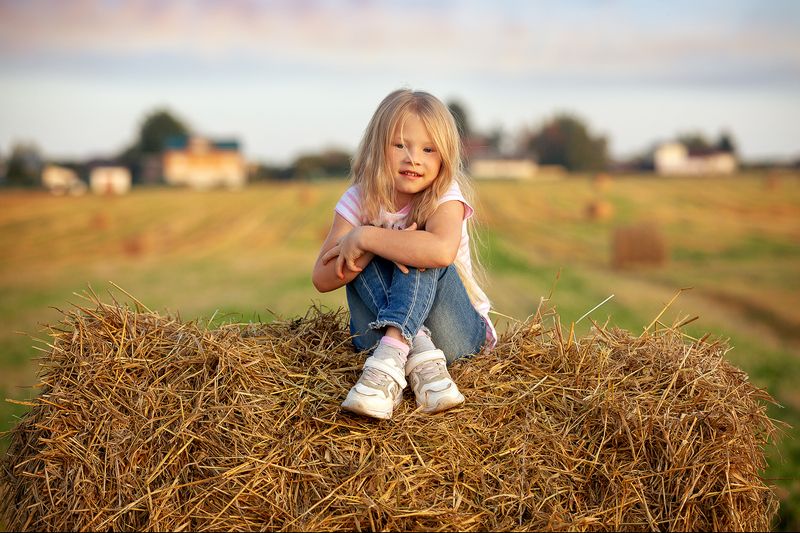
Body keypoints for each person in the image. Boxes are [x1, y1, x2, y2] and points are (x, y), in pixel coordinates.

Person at [312, 88, 497, 420]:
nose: (414, 158)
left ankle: (397, 349)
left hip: (456, 336)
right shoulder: (359, 199)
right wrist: (365, 244)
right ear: (377, 147)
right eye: (400, 145)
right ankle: (416, 354)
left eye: (429, 149)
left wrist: (369, 235)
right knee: (354, 252)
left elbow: (441, 251)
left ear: (444, 158)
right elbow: (322, 279)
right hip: (375, 338)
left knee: (420, 250)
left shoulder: (444, 195)